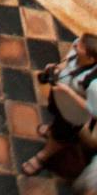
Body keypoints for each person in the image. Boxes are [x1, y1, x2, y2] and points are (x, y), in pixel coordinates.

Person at [24, 32, 97, 178]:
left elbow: (93, 109)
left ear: (90, 59)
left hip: (72, 114)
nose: (76, 44)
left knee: (61, 136)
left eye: (81, 46)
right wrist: (57, 68)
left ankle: (43, 156)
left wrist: (69, 92)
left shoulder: (94, 84)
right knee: (56, 120)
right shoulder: (78, 46)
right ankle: (52, 128)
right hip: (59, 99)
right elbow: (68, 61)